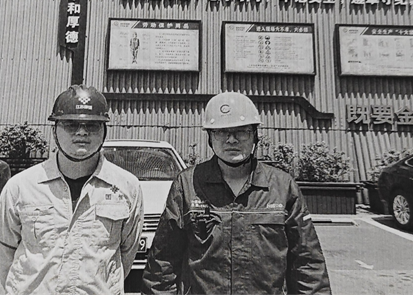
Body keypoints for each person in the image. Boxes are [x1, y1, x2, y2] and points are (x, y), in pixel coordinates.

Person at [141, 92, 331, 295]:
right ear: (210, 137)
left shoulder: (282, 187)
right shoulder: (188, 185)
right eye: (221, 132)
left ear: (255, 135)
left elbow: (307, 263)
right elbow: (163, 263)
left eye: (241, 131)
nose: (231, 140)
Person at [0, 84, 144, 295]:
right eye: (71, 124)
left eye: (92, 125)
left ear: (104, 130)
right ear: (54, 130)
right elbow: (5, 250)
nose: (81, 132)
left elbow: (126, 252)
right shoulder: (21, 187)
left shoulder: (126, 187)